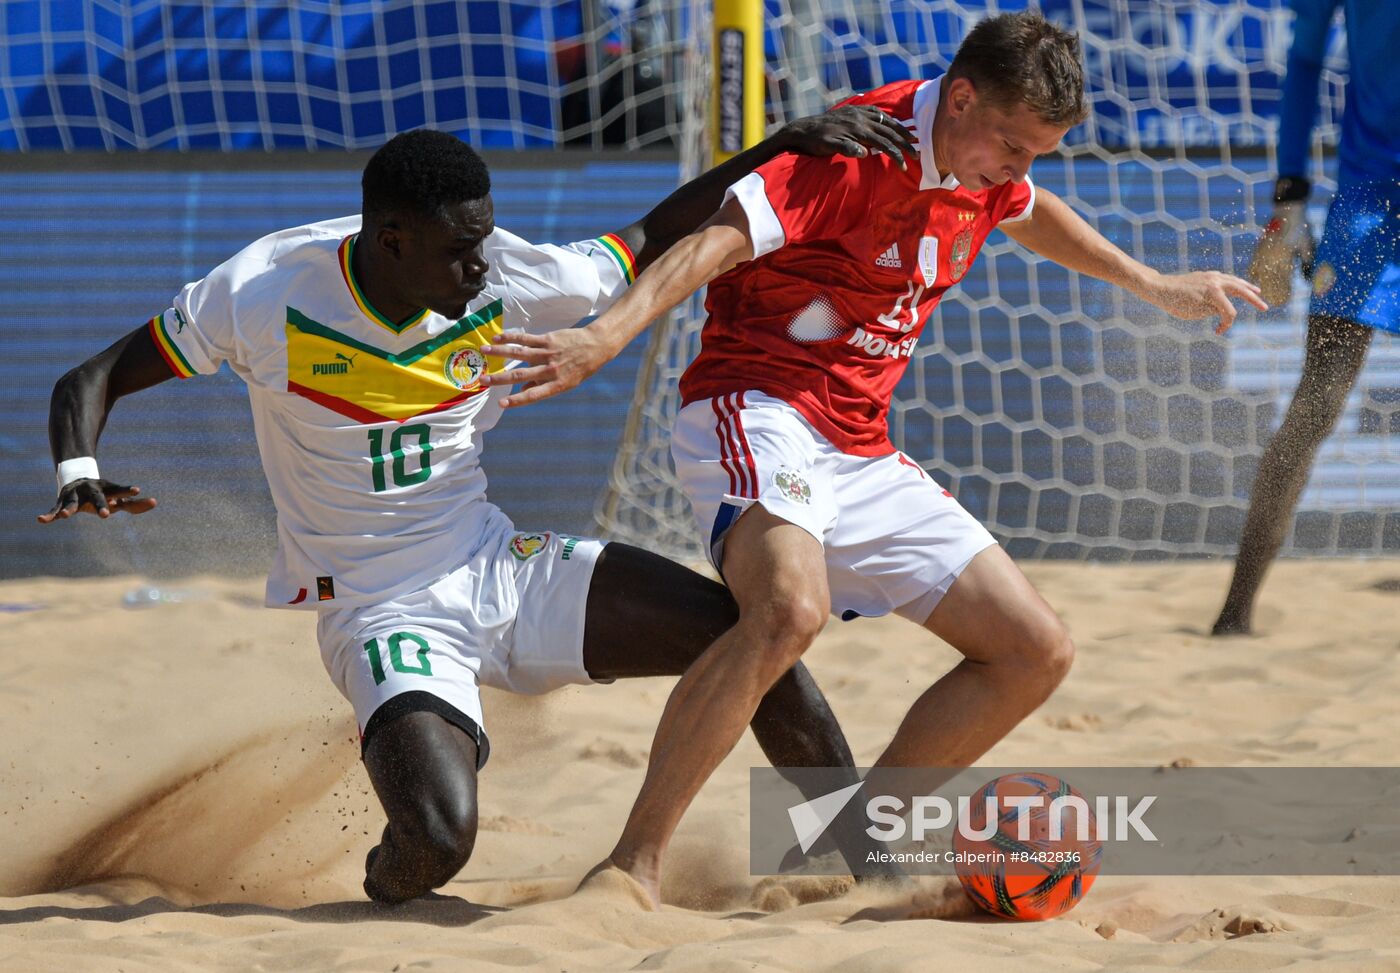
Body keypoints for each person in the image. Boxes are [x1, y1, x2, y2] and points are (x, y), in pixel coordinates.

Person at [482, 10, 1267, 905]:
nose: (1020, 169)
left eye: (1037, 152)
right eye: (1013, 145)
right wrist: (604, 335)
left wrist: (1155, 284)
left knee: (1035, 649)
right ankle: (631, 865)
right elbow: (714, 240)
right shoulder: (860, 150)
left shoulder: (989, 163)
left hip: (858, 444)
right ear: (960, 99)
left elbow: (1028, 209)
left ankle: (847, 844)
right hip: (757, 405)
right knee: (787, 610)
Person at [36, 111, 917, 904]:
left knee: (753, 633)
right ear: (389, 240)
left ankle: (856, 866)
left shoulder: (509, 278)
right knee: (438, 839)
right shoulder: (266, 291)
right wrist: (79, 464)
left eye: (486, 240)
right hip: (380, 607)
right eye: (460, 249)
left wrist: (782, 144)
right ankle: (382, 861)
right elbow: (96, 374)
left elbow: (652, 233)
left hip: (495, 561)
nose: (482, 264)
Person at [1211, 0, 1400, 636]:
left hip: (1368, 201)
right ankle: (1235, 613)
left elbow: (1306, 62)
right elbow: (1304, 61)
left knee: (1311, 411)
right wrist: (1288, 197)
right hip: (1369, 202)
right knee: (1313, 408)